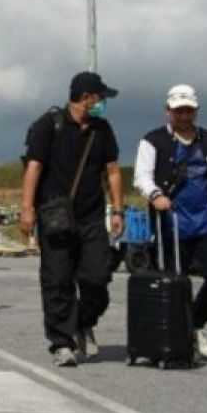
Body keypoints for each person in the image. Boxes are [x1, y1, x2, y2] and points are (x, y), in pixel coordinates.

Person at [21, 71, 123, 367]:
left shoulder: (102, 129)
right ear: (85, 97)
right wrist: (27, 208)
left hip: (91, 216)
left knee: (97, 277)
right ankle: (61, 343)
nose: (103, 102)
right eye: (100, 97)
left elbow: (113, 171)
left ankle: (82, 321)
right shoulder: (48, 125)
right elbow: (34, 167)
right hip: (56, 216)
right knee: (58, 280)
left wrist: (118, 210)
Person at [133, 84, 207, 360]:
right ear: (168, 111)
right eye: (178, 111)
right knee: (176, 282)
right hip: (172, 224)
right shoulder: (153, 141)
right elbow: (142, 176)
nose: (183, 116)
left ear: (196, 111)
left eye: (188, 110)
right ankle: (175, 335)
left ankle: (196, 325)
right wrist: (155, 194)